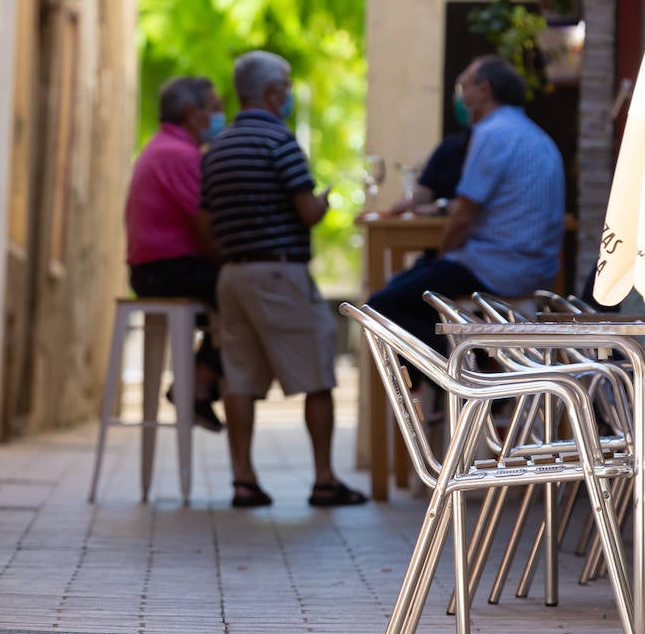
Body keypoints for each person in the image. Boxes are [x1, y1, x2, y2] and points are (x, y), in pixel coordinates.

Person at [199, 50, 367, 509]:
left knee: (240, 378)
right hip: (280, 272)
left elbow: (205, 220)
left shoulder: (217, 150)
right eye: (288, 85)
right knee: (316, 374)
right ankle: (325, 480)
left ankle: (243, 480)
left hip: (232, 275)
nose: (290, 94)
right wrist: (326, 200)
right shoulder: (280, 141)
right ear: (272, 92)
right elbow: (306, 212)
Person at [368, 55, 566, 352]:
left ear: (484, 89)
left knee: (381, 306)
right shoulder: (535, 134)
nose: (460, 98)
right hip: (538, 269)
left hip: (496, 268)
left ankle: (464, 368)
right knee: (410, 287)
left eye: (464, 88)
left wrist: (442, 257)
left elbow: (463, 217)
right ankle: (470, 365)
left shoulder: (492, 133)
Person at [124, 76, 227, 432]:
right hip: (166, 272)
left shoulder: (163, 148)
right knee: (245, 294)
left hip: (156, 269)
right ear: (191, 113)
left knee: (237, 294)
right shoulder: (179, 154)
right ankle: (198, 384)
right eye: (214, 109)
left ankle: (200, 381)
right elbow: (205, 225)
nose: (221, 116)